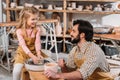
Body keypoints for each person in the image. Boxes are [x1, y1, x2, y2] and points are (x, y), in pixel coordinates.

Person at [44, 19, 113, 80]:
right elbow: (69, 74)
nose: (70, 33)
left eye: (73, 31)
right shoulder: (75, 50)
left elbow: (81, 75)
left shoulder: (94, 50)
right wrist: (63, 66)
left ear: (82, 35)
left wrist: (57, 75)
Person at [13, 6, 44, 80]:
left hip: (34, 52)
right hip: (22, 54)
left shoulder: (37, 29)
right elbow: (23, 46)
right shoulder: (19, 31)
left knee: (37, 72)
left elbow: (37, 43)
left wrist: (38, 54)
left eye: (37, 19)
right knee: (16, 71)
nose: (35, 21)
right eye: (33, 19)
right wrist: (32, 57)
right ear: (25, 19)